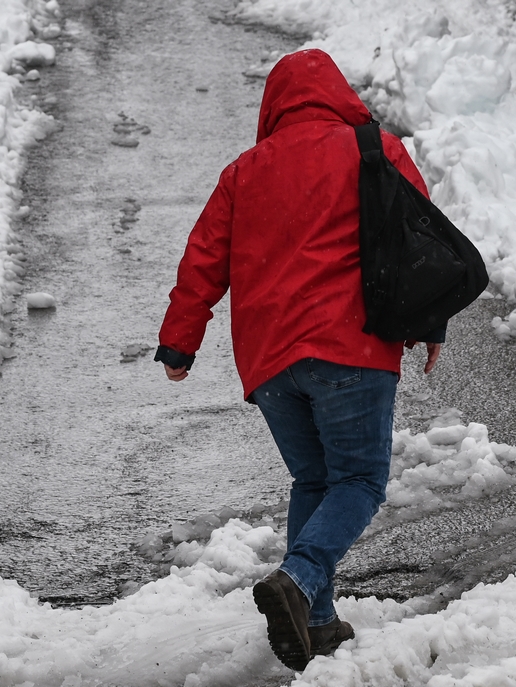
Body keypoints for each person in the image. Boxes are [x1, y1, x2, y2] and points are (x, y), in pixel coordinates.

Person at [154, 48, 444, 671]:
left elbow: (203, 258)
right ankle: (298, 577)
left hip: (271, 366)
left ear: (275, 106)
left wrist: (180, 341)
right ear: (339, 95)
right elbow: (420, 242)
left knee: (314, 480)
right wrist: (431, 323)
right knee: (360, 480)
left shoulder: (244, 171)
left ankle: (314, 619)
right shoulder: (375, 150)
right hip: (352, 349)